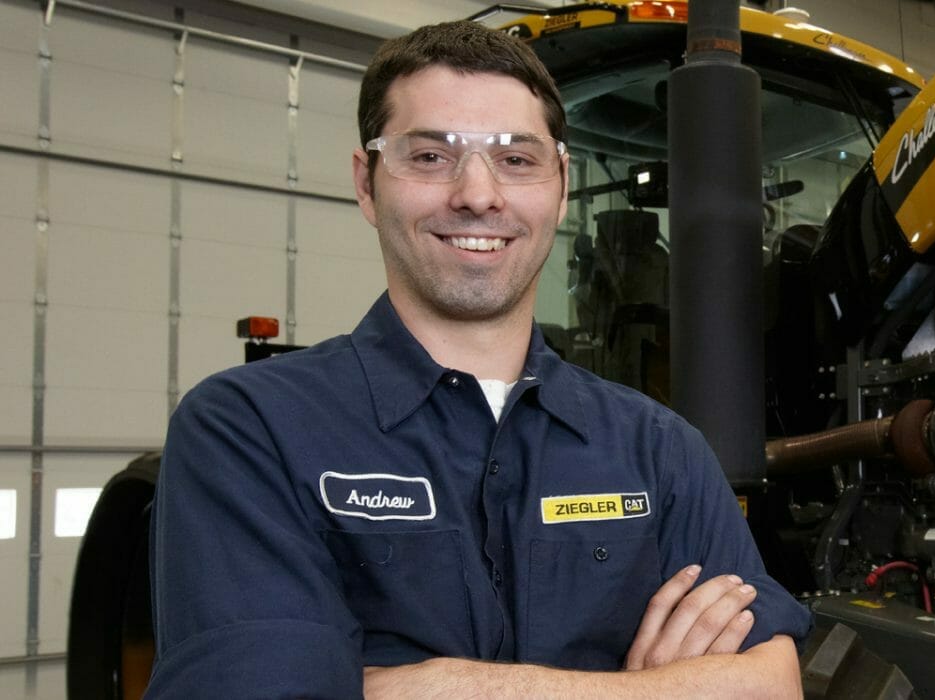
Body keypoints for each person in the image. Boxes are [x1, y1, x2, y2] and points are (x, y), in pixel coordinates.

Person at [146, 21, 808, 698]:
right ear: (367, 184)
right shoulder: (248, 430)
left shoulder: (661, 450)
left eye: (517, 160)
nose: (478, 194)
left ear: (558, 184)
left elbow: (773, 684)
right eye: (430, 156)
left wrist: (424, 685)